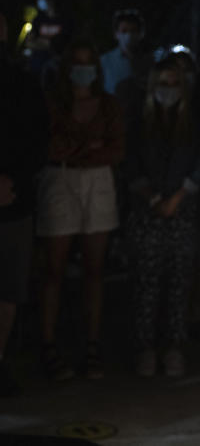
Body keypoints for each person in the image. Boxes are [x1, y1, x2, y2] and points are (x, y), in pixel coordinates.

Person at [37, 39, 125, 381]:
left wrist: (76, 150)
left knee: (94, 269)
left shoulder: (108, 104)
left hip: (97, 185)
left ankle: (92, 345)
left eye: (89, 62)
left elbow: (116, 150)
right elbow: (51, 146)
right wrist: (89, 146)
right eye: (77, 62)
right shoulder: (52, 104)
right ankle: (47, 344)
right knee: (54, 269)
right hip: (59, 182)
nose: (83, 69)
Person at [125, 56, 200, 378]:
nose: (169, 90)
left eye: (175, 84)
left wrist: (177, 198)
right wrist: (153, 198)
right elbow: (130, 163)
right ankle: (144, 347)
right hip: (147, 211)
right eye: (163, 83)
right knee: (146, 282)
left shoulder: (194, 124)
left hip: (182, 210)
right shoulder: (139, 121)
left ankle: (174, 346)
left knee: (178, 281)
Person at [0, 15, 49, 395]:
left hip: (14, 200)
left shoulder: (22, 83)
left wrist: (10, 181)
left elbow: (35, 139)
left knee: (9, 287)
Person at [100, 8, 150, 97]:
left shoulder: (149, 61)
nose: (129, 35)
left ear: (141, 34)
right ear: (116, 34)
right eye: (124, 31)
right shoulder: (105, 61)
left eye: (133, 30)